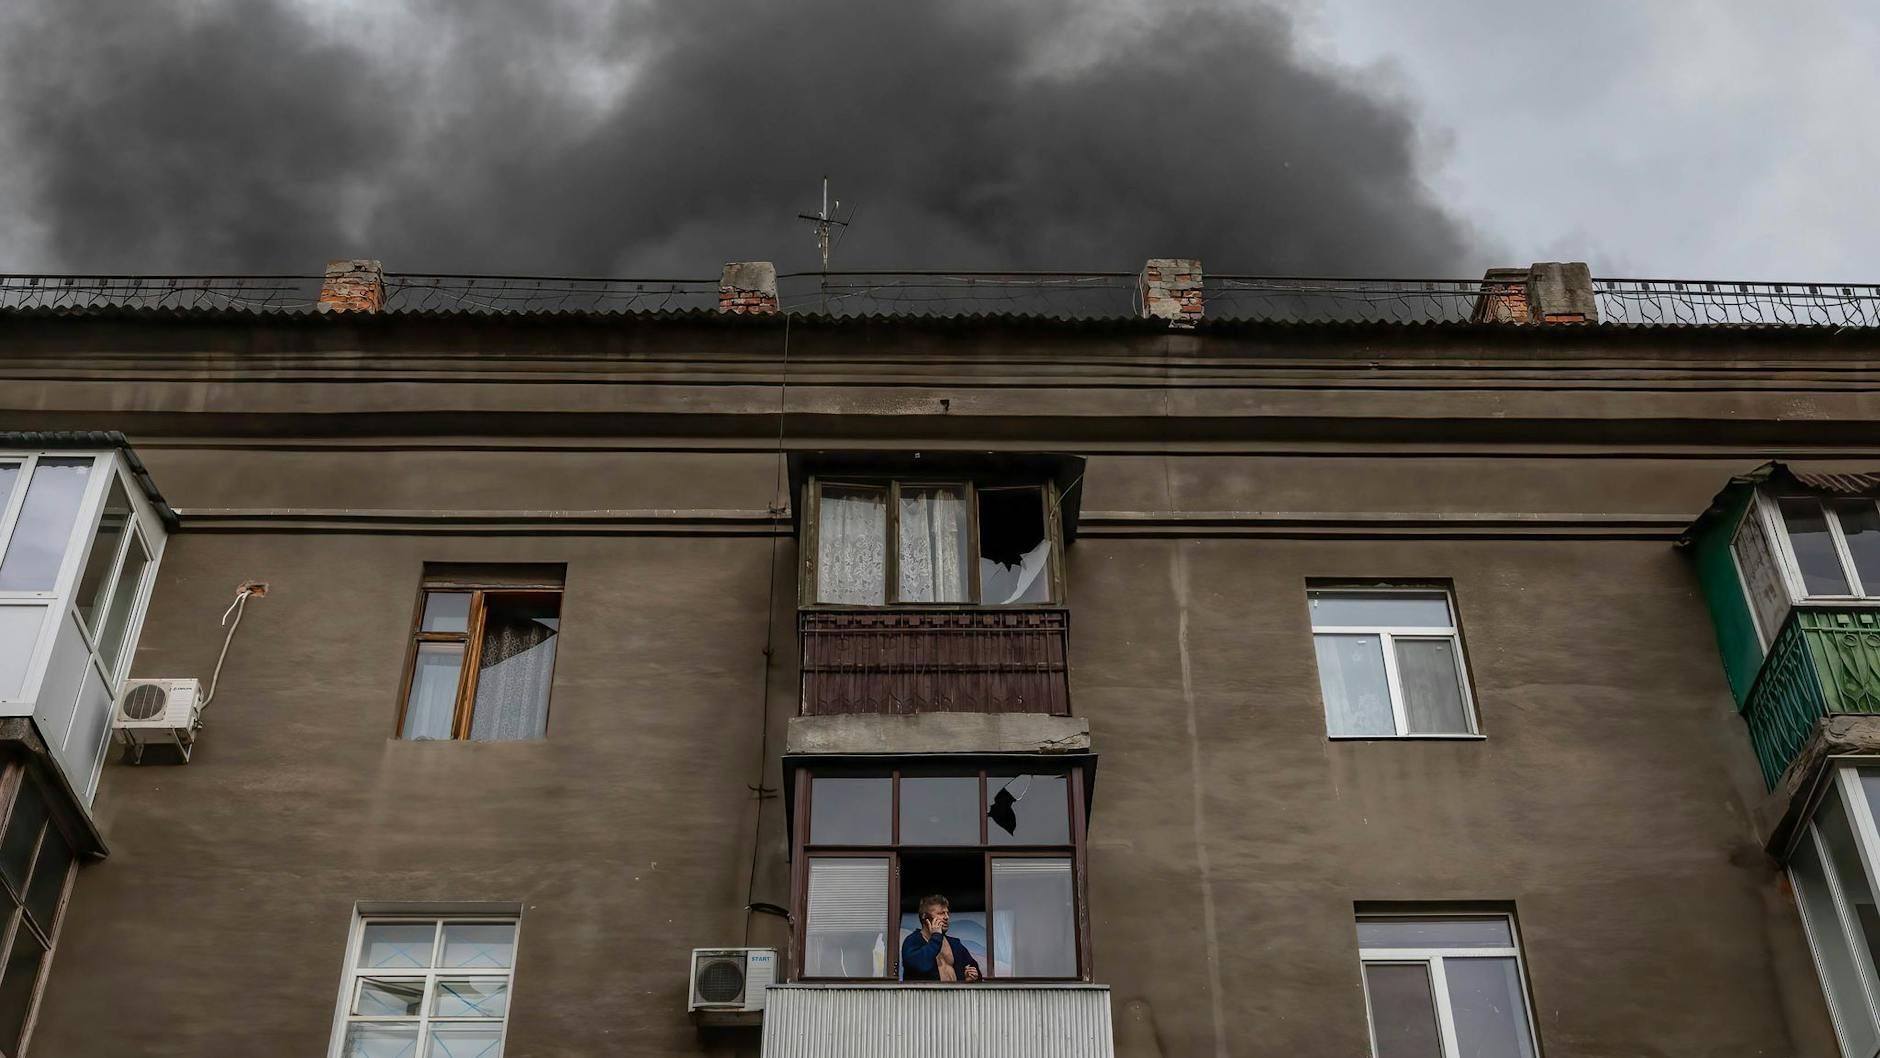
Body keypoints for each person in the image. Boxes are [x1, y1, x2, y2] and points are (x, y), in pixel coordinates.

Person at [901, 894, 981, 982]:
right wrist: (936, 937)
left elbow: (975, 970)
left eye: (947, 913)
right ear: (925, 916)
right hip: (926, 995)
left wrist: (969, 977)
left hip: (956, 995)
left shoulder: (955, 944)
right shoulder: (912, 941)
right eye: (941, 913)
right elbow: (920, 965)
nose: (946, 917)